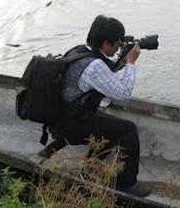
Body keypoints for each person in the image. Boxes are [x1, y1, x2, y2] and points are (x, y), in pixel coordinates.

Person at [39, 14, 151, 198]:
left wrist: (123, 56)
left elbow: (105, 71)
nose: (116, 49)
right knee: (127, 130)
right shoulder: (94, 65)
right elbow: (123, 93)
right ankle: (126, 185)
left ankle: (86, 171)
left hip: (62, 117)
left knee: (109, 128)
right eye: (116, 45)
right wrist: (130, 63)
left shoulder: (79, 51)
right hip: (74, 123)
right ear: (106, 44)